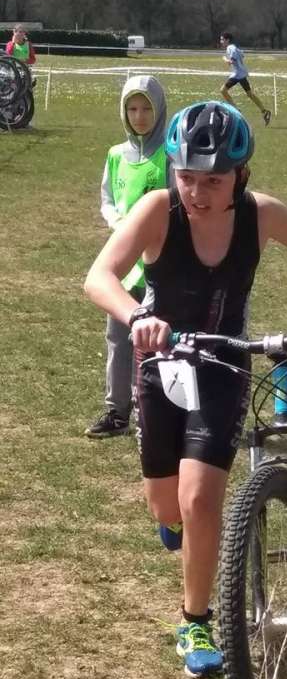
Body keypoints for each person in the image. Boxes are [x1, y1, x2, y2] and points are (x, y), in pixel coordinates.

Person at [84, 101, 287, 677]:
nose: (197, 192)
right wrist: (136, 316)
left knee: (201, 499)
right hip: (160, 366)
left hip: (224, 364)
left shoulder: (261, 215)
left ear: (240, 176)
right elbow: (99, 276)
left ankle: (195, 621)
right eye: (187, 177)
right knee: (167, 504)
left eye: (213, 181)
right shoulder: (158, 211)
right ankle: (176, 522)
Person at [86, 75, 168, 439]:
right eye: (132, 109)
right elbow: (107, 199)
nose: (139, 116)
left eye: (146, 108)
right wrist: (117, 222)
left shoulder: (170, 155)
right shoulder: (116, 154)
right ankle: (117, 411)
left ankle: (155, 409)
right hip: (123, 264)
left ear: (159, 109)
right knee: (118, 336)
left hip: (157, 263)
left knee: (158, 338)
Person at [219, 32, 271, 125]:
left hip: (237, 75)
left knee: (223, 90)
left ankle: (236, 109)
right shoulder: (235, 47)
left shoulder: (230, 48)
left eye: (222, 39)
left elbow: (232, 61)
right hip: (242, 74)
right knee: (250, 94)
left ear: (227, 40)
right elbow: (242, 55)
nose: (221, 41)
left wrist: (225, 59)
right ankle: (264, 111)